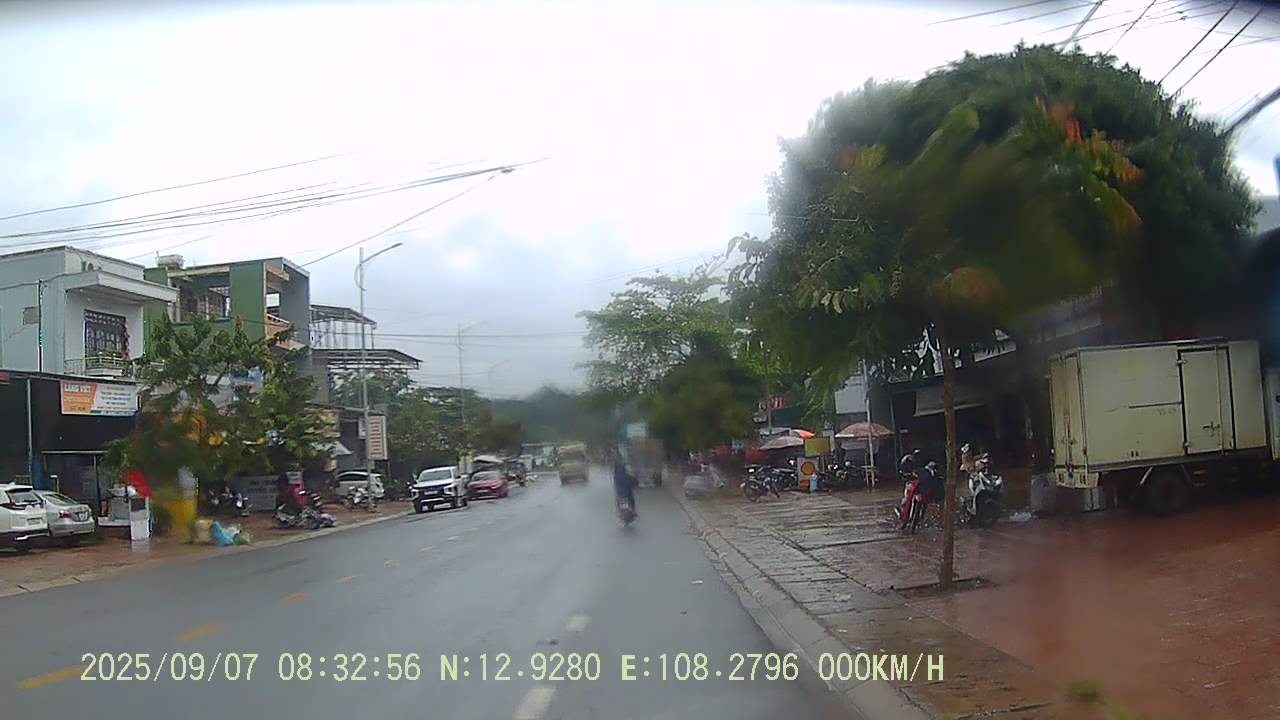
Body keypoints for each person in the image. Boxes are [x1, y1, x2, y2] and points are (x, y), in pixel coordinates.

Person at [611, 448, 637, 515]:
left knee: (619, 500)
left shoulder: (616, 476)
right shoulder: (626, 475)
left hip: (620, 493)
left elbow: (616, 485)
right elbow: (633, 482)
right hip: (627, 493)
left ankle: (621, 512)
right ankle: (633, 510)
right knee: (631, 499)